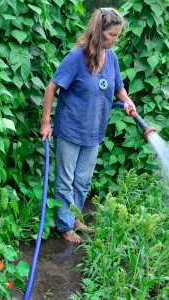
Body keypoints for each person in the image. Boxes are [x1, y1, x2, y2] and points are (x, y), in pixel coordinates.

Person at [39, 7, 136, 243]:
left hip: (94, 132)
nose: (115, 39)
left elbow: (118, 87)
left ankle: (75, 217)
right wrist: (46, 122)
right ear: (99, 31)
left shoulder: (111, 57)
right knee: (65, 179)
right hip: (70, 130)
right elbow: (51, 88)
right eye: (112, 35)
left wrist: (127, 101)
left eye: (117, 35)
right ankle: (64, 226)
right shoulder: (75, 57)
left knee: (83, 180)